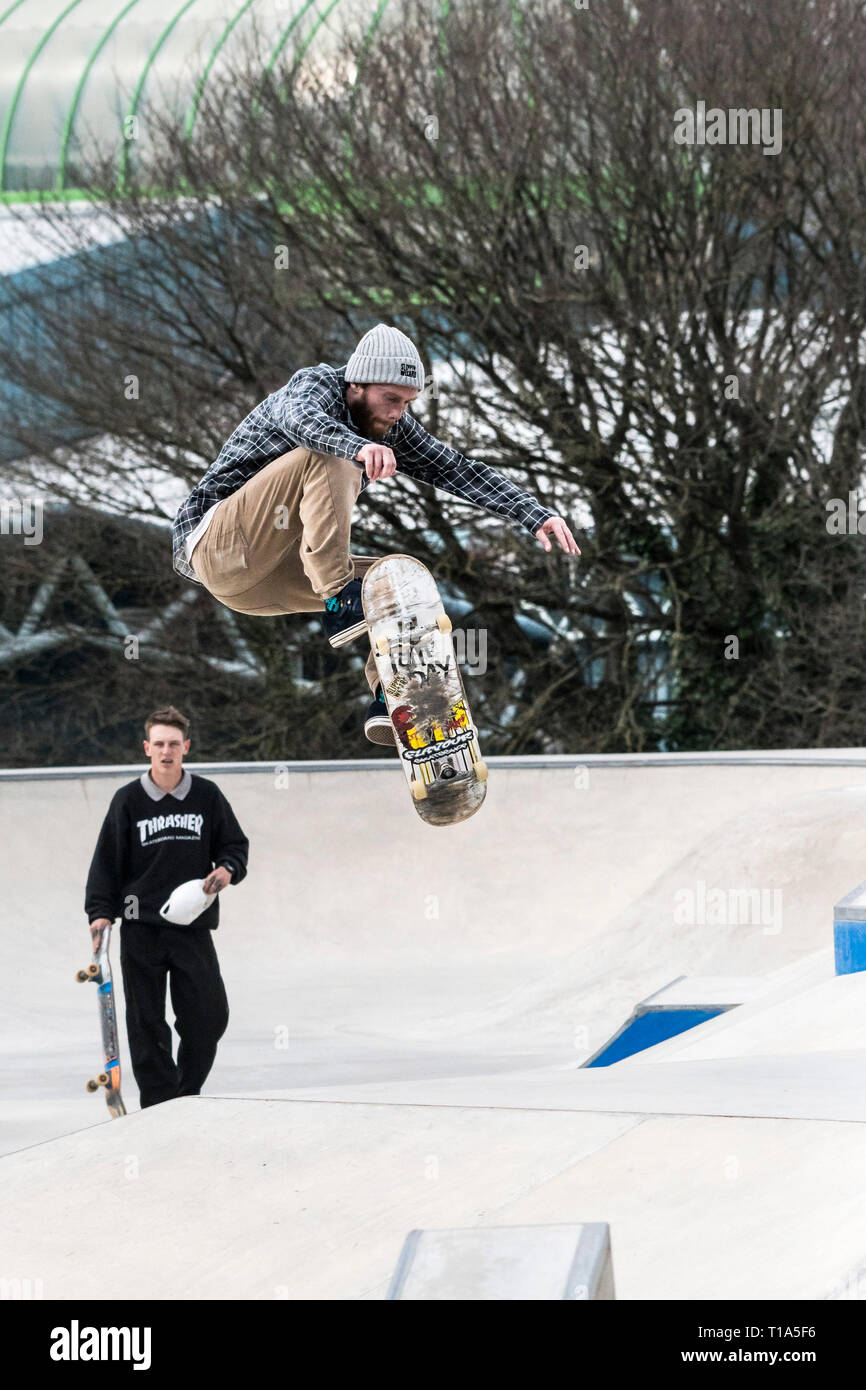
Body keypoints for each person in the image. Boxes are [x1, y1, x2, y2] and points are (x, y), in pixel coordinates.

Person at [172, 324, 580, 743]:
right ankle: (339, 595)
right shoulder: (312, 389)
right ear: (357, 384)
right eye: (390, 399)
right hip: (218, 547)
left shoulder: (394, 429)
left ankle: (398, 700)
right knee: (331, 457)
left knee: (401, 583)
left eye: (407, 402)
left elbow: (456, 469)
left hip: (263, 587)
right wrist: (356, 448)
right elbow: (301, 421)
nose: (398, 413)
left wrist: (532, 514)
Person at [84, 705, 249, 1108]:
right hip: (141, 927)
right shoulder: (128, 801)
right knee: (146, 1021)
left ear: (186, 747)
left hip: (192, 926)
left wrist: (227, 869)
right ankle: (160, 1102)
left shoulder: (206, 795)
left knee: (208, 1016)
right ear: (146, 748)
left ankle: (187, 1091)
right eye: (158, 743)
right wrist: (100, 913)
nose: (166, 751)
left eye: (174, 743)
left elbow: (234, 846)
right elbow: (106, 862)